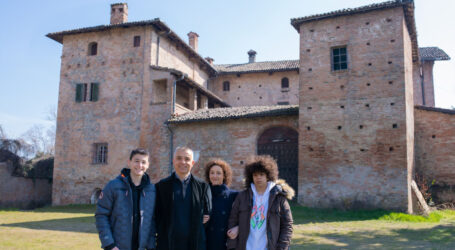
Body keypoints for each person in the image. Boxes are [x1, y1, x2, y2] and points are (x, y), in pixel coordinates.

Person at [226, 155, 294, 250]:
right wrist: (232, 247)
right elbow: (233, 221)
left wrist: (282, 247)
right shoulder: (242, 197)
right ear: (251, 177)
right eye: (255, 175)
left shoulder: (279, 198)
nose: (258, 178)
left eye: (261, 174)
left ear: (268, 176)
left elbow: (287, 225)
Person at [95, 148, 156, 250]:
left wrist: (151, 246)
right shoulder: (113, 186)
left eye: (143, 162)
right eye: (136, 161)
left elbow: (152, 221)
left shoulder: (152, 190)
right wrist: (110, 245)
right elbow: (101, 215)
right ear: (129, 163)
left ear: (148, 165)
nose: (140, 165)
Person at [155, 146, 212, 250]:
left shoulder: (203, 186)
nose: (183, 162)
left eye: (187, 159)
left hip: (195, 244)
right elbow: (156, 215)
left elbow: (208, 213)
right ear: (173, 161)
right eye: (179, 158)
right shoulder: (161, 186)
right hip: (168, 244)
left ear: (193, 163)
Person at [203, 159, 238, 250]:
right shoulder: (202, 195)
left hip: (226, 243)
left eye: (218, 173)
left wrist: (238, 228)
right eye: (212, 173)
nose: (215, 176)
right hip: (207, 243)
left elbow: (246, 216)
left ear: (224, 176)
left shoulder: (234, 196)